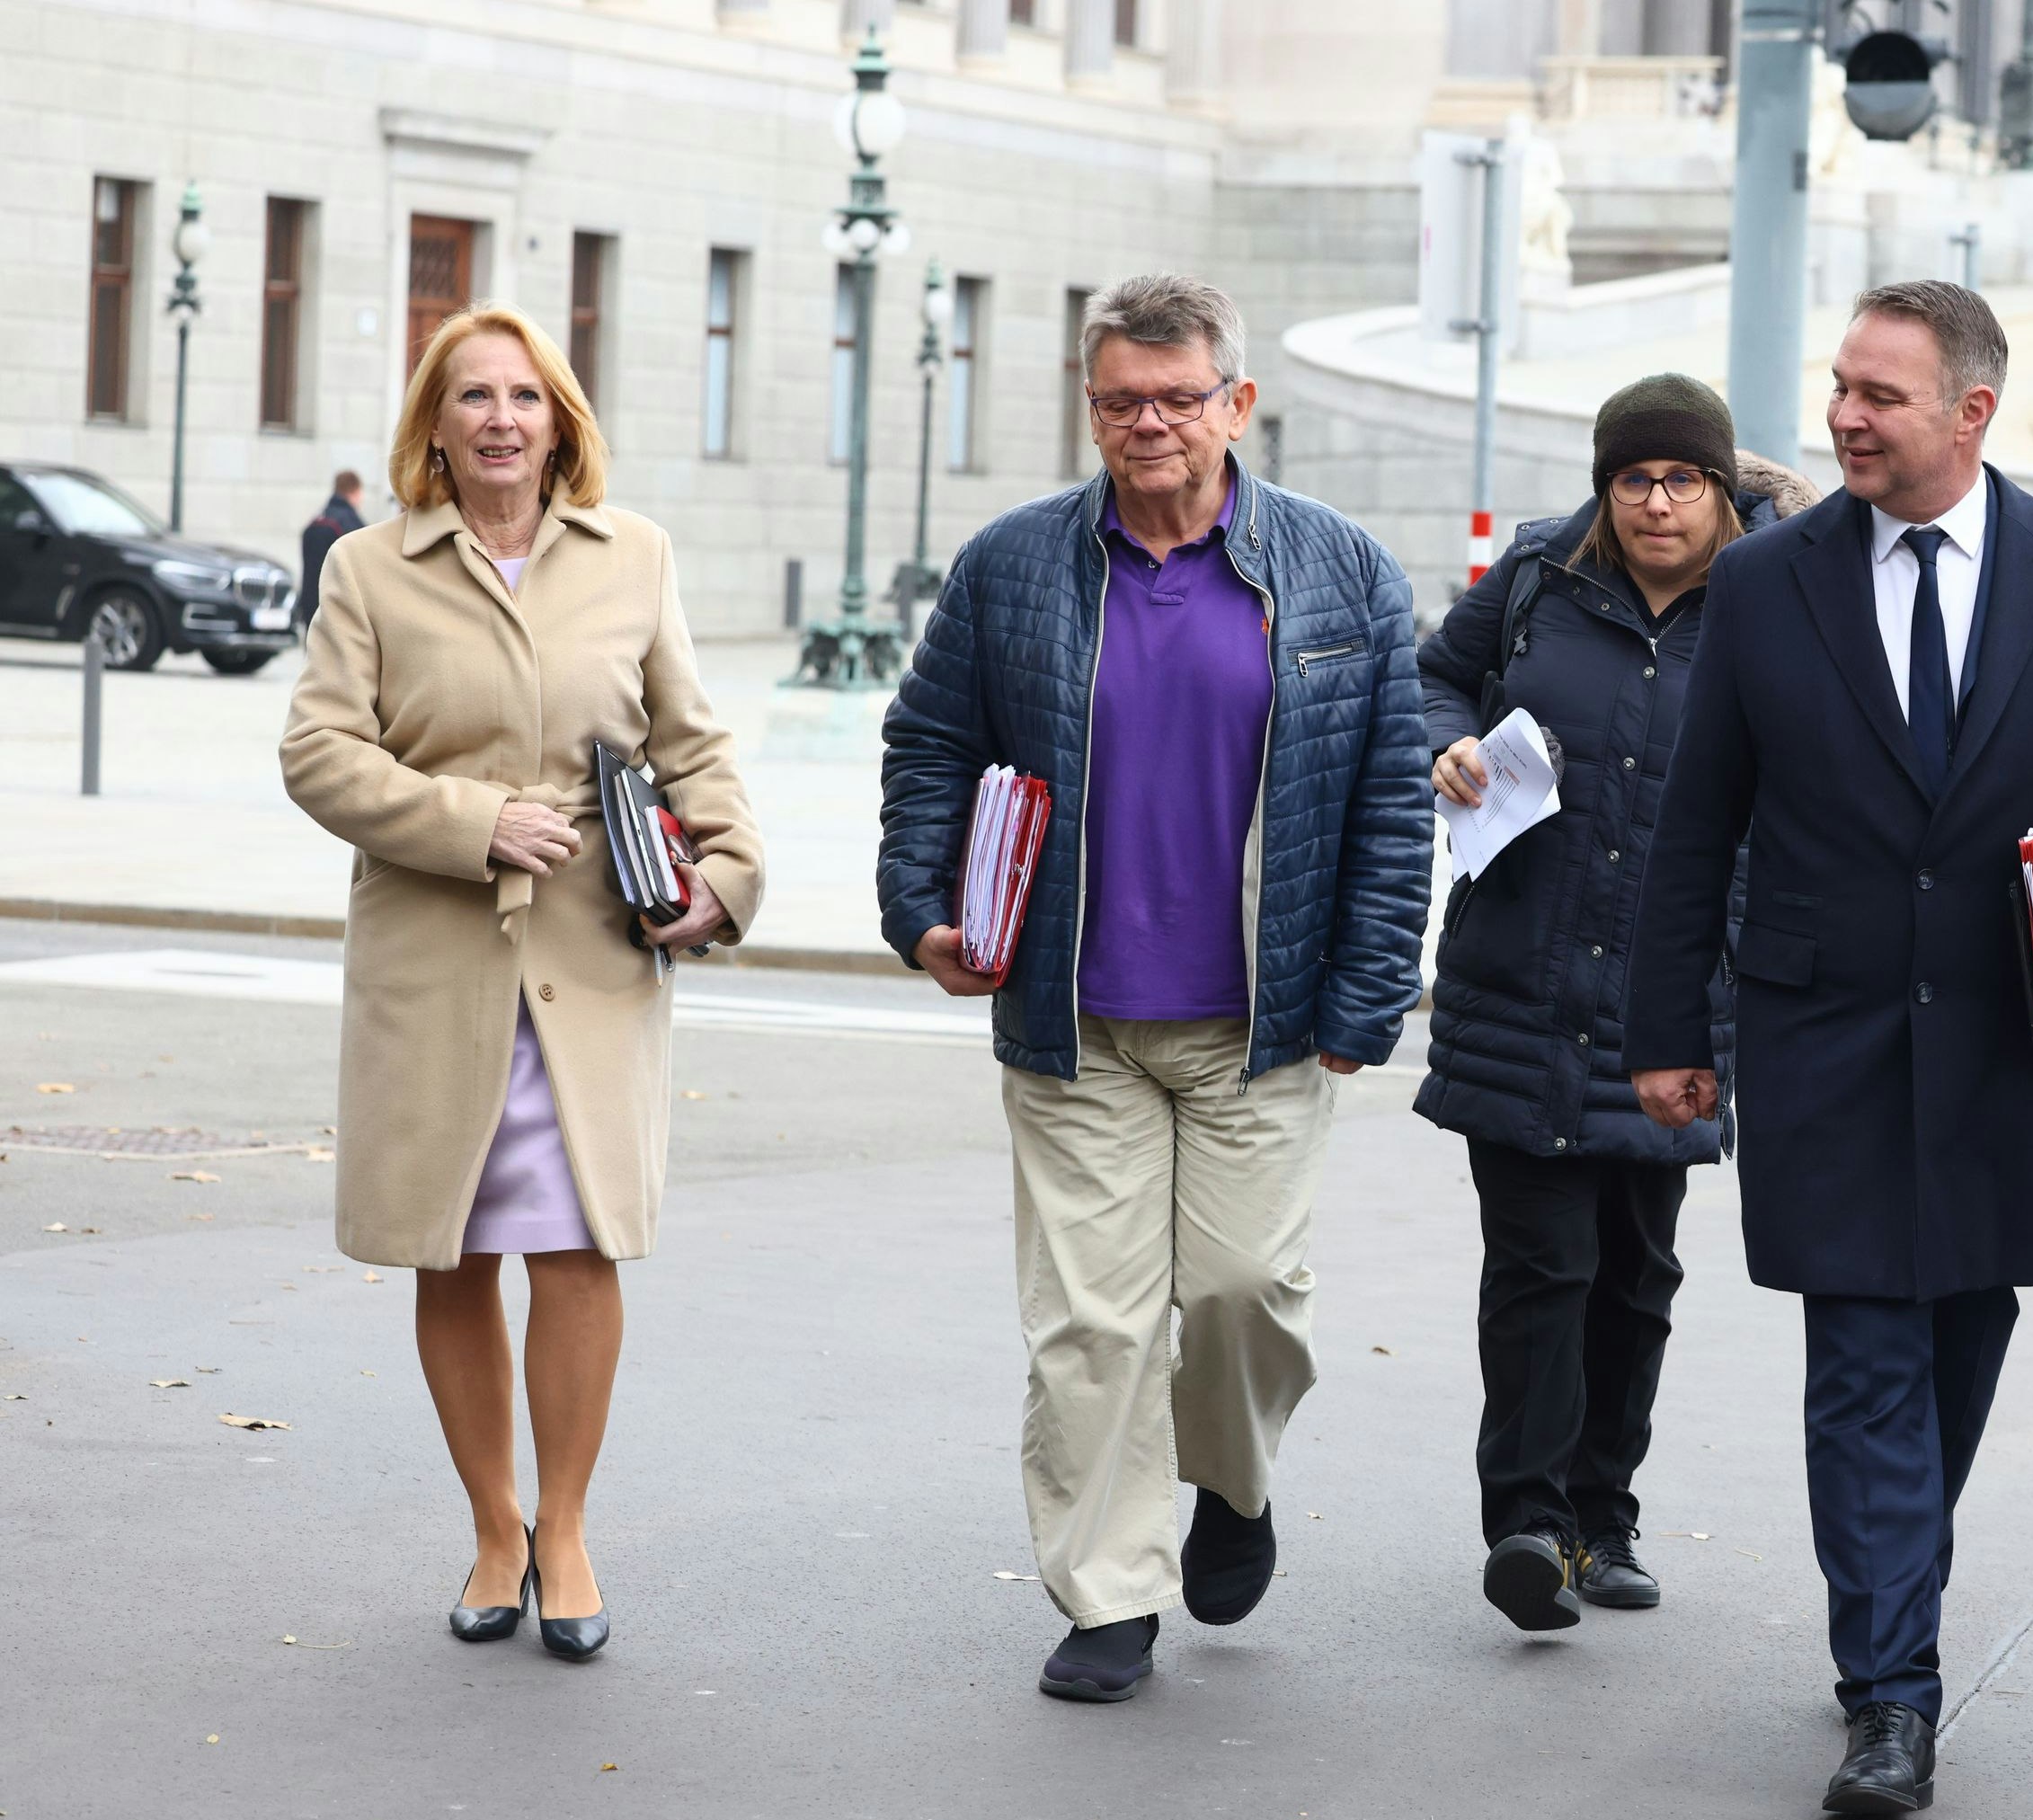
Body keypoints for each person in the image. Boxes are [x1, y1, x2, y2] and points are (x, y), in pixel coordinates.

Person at [1622, 280, 2033, 1816]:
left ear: (1974, 414)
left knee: (1958, 1344)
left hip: (2013, 1043)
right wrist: (1673, 1027)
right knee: (1863, 1358)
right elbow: (1700, 825)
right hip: (1823, 1038)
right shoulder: (1767, 585)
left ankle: (1892, 1590)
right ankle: (1893, 1688)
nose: (1845, 418)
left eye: (1882, 395)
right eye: (1842, 387)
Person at [876, 275, 1429, 1706]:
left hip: (1265, 1022)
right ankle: (1110, 1590)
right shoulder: (1014, 566)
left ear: (1236, 404)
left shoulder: (1340, 570)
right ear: (1091, 403)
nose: (1148, 425)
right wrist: (924, 909)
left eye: (1179, 398)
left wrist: (1368, 993)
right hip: (1077, 1023)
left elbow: (1386, 796)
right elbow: (930, 743)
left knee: (1244, 1291)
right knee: (1093, 1325)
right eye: (1120, 398)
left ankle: (1231, 1485)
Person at [280, 305, 763, 1664]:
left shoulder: (635, 557)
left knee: (577, 1243)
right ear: (434, 426)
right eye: (473, 395)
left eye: (526, 397)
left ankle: (564, 1525)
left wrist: (728, 874)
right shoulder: (370, 573)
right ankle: (494, 1523)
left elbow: (695, 743)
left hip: (594, 955)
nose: (501, 417)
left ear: (562, 423)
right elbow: (319, 755)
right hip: (435, 964)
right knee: (457, 1243)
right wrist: (470, 818)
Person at [1419, 374, 1817, 1631]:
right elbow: (1436, 677)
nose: (1656, 503)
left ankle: (1607, 1515)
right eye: (1634, 479)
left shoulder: (1776, 600)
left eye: (1681, 480)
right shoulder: (1539, 575)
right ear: (1605, 487)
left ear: (1718, 489)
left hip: (1685, 998)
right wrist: (1448, 741)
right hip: (1524, 975)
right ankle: (1527, 1521)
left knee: (1636, 1269)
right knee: (1540, 1261)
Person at [294, 470, 366, 635]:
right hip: (339, 612)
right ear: (355, 491)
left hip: (311, 609)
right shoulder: (352, 526)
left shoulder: (315, 522)